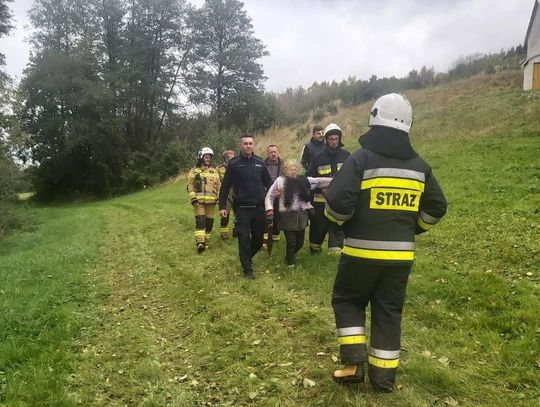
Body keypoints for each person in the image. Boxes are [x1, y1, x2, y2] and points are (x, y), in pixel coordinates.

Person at [324, 93, 447, 391]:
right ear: (407, 125)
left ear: (375, 118)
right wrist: (411, 230)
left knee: (348, 300)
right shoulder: (420, 166)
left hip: (360, 253)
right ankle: (383, 379)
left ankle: (354, 365)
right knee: (389, 311)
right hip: (400, 258)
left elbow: (337, 204)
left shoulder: (361, 159)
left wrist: (343, 224)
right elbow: (436, 207)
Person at [219, 134, 273, 279]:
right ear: (240, 145)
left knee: (258, 239)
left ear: (253, 145)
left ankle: (246, 258)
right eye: (245, 144)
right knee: (244, 239)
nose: (248, 146)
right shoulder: (234, 164)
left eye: (250, 143)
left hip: (258, 208)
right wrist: (222, 207)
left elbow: (269, 185)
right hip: (242, 209)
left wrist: (276, 196)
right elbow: (225, 186)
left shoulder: (260, 163)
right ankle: (248, 270)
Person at [265, 159, 332, 267]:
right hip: (286, 216)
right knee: (291, 242)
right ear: (285, 170)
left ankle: (289, 256)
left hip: (301, 215)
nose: (293, 171)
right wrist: (269, 210)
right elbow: (270, 196)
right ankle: (290, 264)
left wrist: (335, 180)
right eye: (291, 169)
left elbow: (318, 181)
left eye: (295, 168)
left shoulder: (303, 180)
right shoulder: (280, 181)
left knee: (300, 243)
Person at [307, 123, 350, 254]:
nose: (334, 141)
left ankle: (335, 253)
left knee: (337, 227)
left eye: (336, 139)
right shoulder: (318, 158)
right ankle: (315, 251)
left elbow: (352, 178)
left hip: (338, 202)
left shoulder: (347, 156)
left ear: (339, 139)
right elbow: (310, 180)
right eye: (331, 139)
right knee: (318, 228)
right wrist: (319, 191)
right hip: (320, 203)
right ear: (326, 139)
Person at [187, 147, 221, 253]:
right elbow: (190, 185)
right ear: (201, 157)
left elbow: (219, 186)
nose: (208, 159)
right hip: (198, 202)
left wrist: (219, 198)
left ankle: (205, 242)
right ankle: (200, 243)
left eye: (209, 157)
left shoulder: (214, 171)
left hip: (212, 203)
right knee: (200, 222)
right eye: (206, 157)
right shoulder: (194, 171)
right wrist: (193, 199)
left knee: (209, 224)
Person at [264, 145, 283, 245]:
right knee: (266, 215)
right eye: (271, 152)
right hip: (266, 193)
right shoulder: (263, 164)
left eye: (275, 152)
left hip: (279, 194)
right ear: (267, 153)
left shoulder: (283, 165)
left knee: (278, 216)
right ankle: (266, 237)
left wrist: (281, 191)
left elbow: (288, 179)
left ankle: (275, 236)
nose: (273, 154)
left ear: (278, 152)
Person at [217, 150, 235, 239]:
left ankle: (237, 231)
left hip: (236, 193)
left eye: (233, 157)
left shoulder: (237, 166)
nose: (231, 159)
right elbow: (216, 181)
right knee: (225, 215)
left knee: (238, 215)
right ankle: (224, 233)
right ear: (225, 158)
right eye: (229, 157)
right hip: (226, 193)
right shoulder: (219, 168)